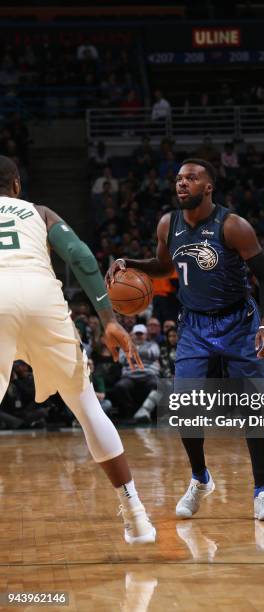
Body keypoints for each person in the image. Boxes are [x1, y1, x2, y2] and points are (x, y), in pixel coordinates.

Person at [107, 158, 264, 522]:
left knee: (254, 406)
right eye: (179, 179)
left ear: (208, 187)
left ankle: (261, 492)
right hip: (195, 326)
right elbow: (164, 267)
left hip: (240, 323)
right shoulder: (168, 224)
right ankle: (200, 479)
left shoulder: (233, 226)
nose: (182, 183)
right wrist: (129, 262)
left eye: (191, 178)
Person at [0, 155, 155, 545]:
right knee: (86, 407)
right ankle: (136, 516)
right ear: (16, 185)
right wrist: (109, 321)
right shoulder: (39, 212)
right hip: (41, 296)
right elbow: (82, 258)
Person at [111, 323, 160, 424]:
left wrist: (132, 352)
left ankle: (146, 412)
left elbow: (154, 354)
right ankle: (130, 415)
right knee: (120, 387)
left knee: (158, 385)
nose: (138, 336)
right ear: (132, 335)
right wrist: (142, 353)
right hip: (129, 376)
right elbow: (122, 359)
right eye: (136, 334)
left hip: (149, 375)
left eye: (141, 334)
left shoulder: (153, 345)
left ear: (146, 335)